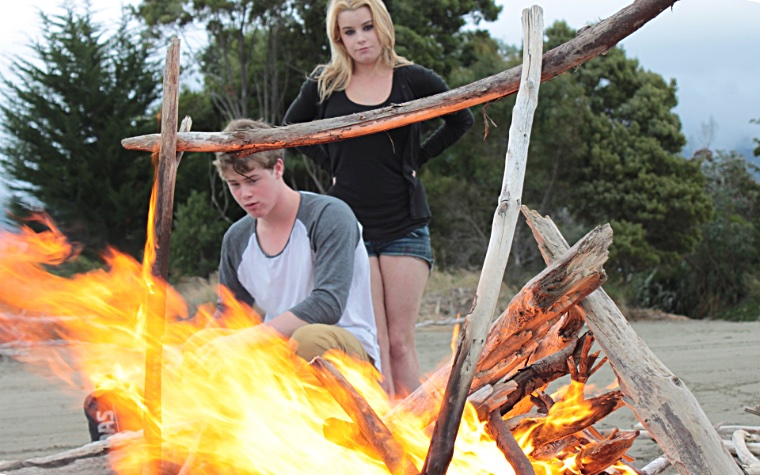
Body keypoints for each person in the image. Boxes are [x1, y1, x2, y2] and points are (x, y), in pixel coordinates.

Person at [283, 0, 473, 396]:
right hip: (349, 227)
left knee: (401, 342)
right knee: (376, 340)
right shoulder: (324, 84)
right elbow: (291, 130)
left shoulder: (411, 79)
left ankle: (415, 431)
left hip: (404, 223)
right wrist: (330, 160)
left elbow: (461, 117)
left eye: (366, 28)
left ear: (381, 27)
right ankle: (383, 432)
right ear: (339, 38)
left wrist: (416, 157)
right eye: (349, 32)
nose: (360, 39)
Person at [192, 118, 381, 372]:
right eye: (234, 184)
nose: (245, 194)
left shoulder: (329, 216)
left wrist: (243, 341)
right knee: (202, 345)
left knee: (307, 340)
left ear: (278, 168)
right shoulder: (236, 238)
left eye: (253, 180)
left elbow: (328, 304)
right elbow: (230, 310)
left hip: (343, 350)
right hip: (275, 354)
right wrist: (196, 350)